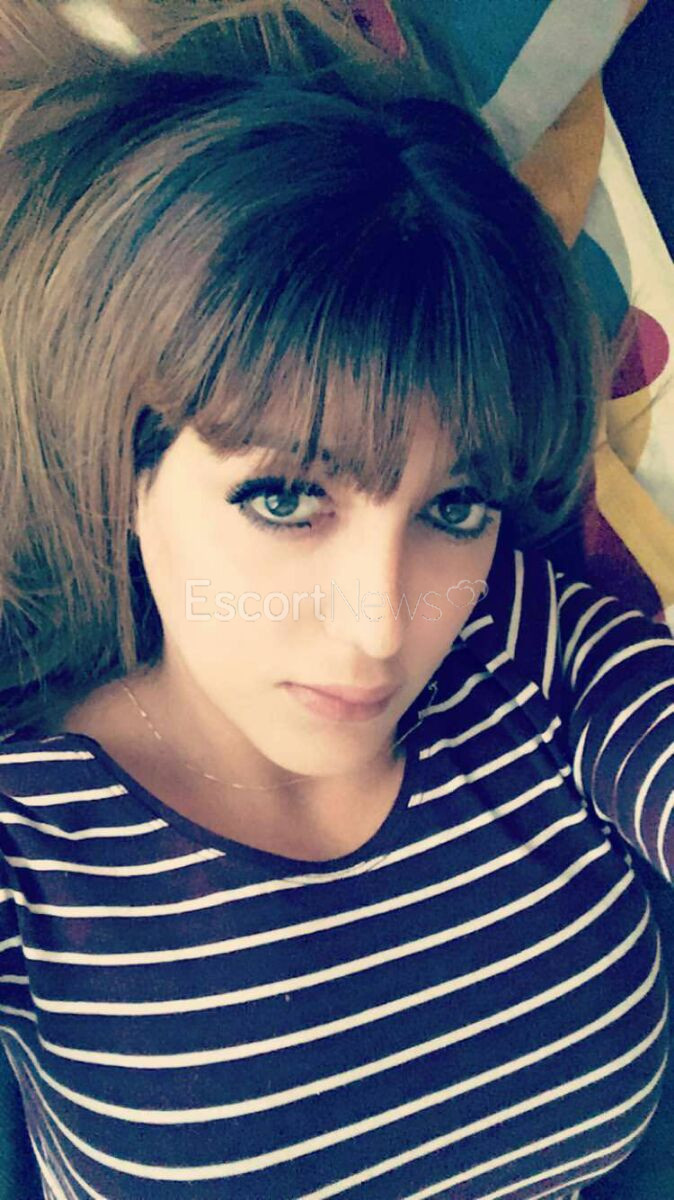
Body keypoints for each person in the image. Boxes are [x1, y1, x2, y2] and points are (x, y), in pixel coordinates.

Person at [0, 9, 673, 1200]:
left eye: (452, 505)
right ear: (126, 462)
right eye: (284, 499)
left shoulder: (523, 648)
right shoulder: (30, 843)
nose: (382, 626)